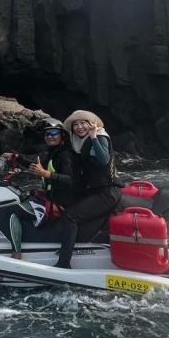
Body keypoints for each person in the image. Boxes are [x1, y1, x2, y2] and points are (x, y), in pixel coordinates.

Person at [55, 110, 121, 268]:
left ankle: (64, 264)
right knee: (68, 205)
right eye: (75, 125)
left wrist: (93, 136)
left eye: (83, 123)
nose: (79, 127)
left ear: (91, 124)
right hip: (96, 190)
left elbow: (104, 160)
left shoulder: (100, 136)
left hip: (107, 192)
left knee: (70, 216)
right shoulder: (79, 143)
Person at [2, 117, 76, 258]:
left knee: (12, 210)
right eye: (47, 134)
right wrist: (16, 157)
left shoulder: (65, 155)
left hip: (59, 204)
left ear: (62, 136)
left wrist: (46, 174)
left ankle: (16, 254)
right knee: (20, 198)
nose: (49, 136)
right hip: (49, 196)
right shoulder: (53, 152)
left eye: (54, 133)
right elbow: (34, 166)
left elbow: (70, 179)